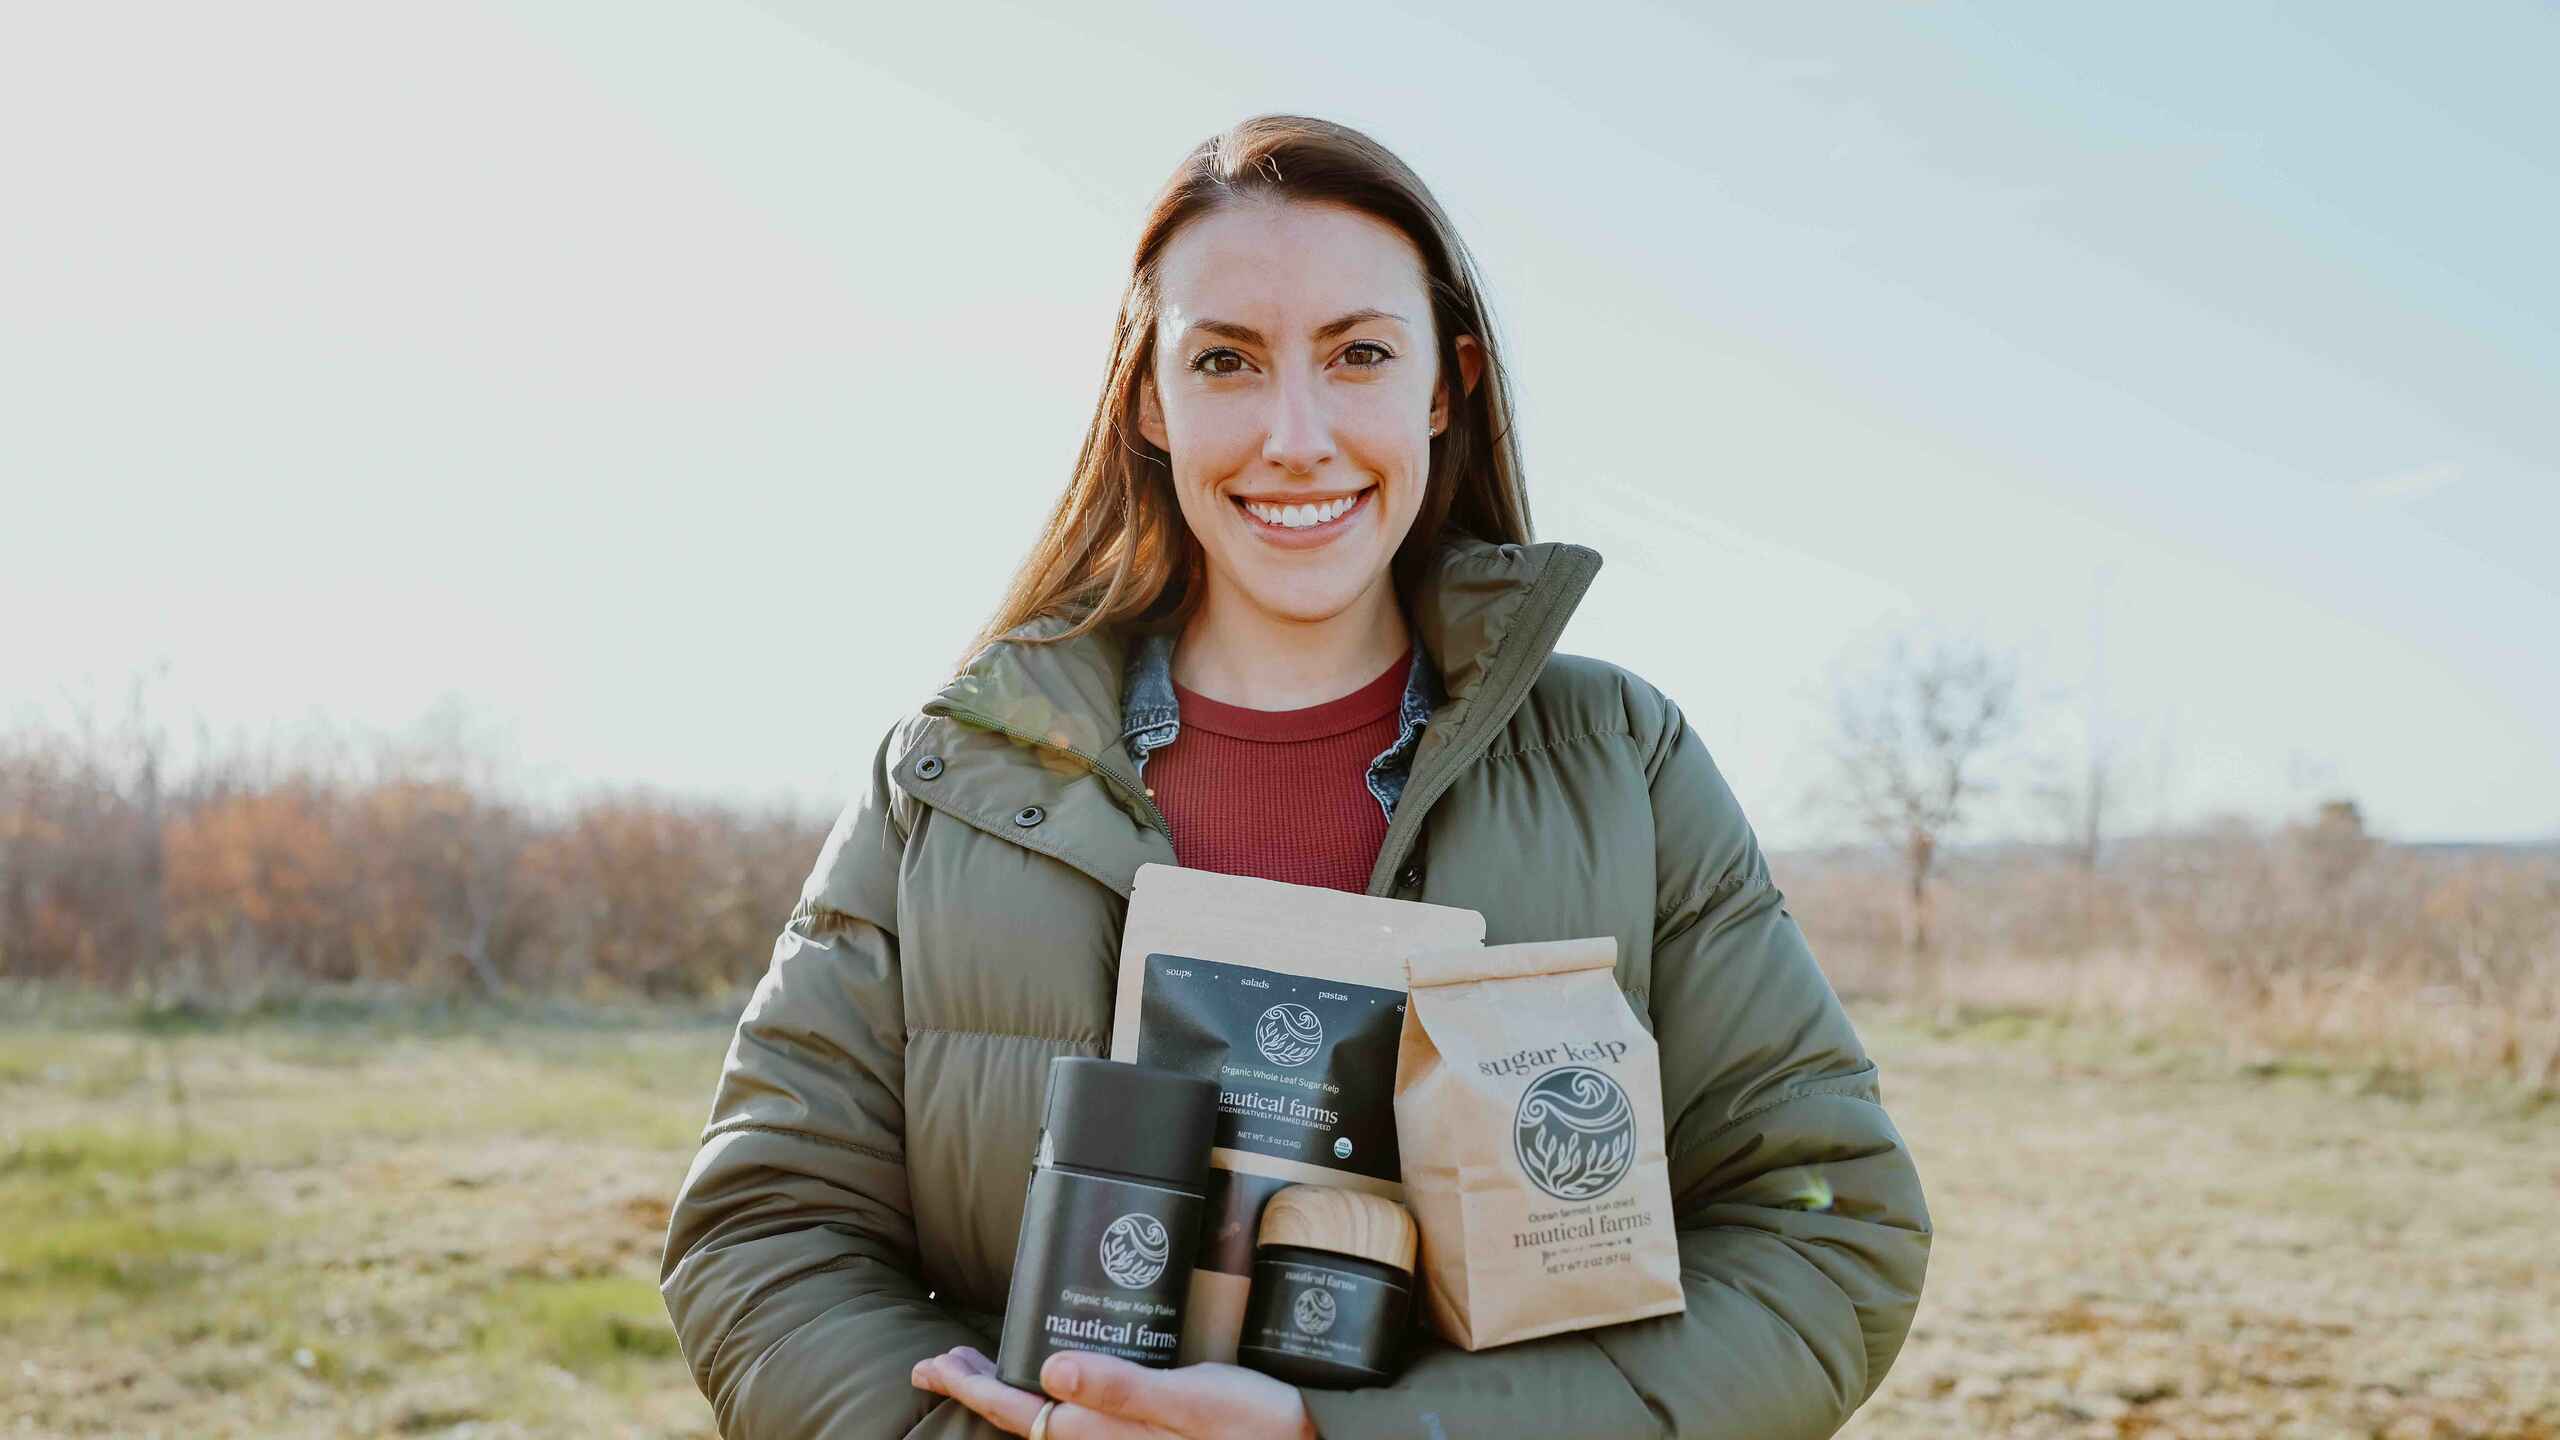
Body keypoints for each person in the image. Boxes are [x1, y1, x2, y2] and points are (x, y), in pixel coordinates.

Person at [660, 113, 1930, 1440]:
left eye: (1359, 355)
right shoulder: (954, 780)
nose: (1296, 435)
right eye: (1226, 361)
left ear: (1448, 386)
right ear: (1149, 401)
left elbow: (1824, 1229)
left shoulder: (1623, 765)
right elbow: (764, 1231)